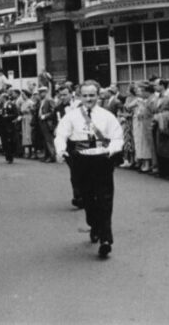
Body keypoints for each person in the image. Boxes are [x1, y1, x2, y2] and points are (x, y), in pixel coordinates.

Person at [55, 80, 123, 259]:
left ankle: (106, 240)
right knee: (87, 198)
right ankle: (94, 225)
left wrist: (111, 150)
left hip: (102, 160)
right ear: (79, 96)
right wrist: (61, 150)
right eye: (85, 95)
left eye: (92, 95)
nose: (88, 99)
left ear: (98, 95)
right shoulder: (71, 116)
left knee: (105, 199)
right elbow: (61, 134)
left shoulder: (107, 116)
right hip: (81, 161)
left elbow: (117, 137)